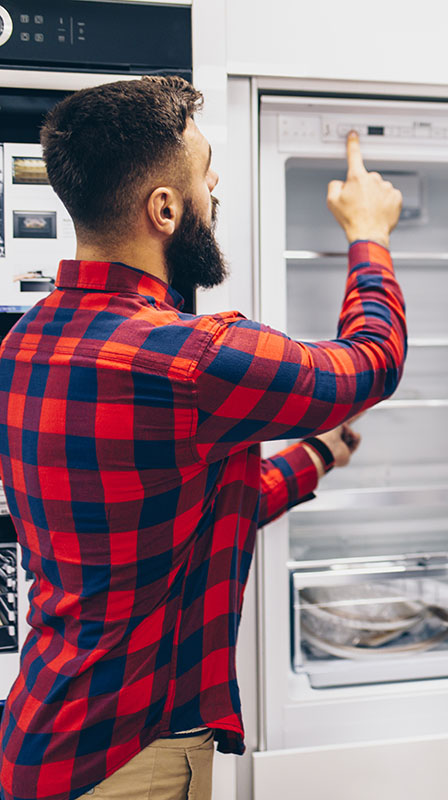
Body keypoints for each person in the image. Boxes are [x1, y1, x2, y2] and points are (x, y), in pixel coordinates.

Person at [0, 77, 405, 800]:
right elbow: (373, 362)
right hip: (128, 761)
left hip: (41, 735)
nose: (214, 185)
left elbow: (173, 516)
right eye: (205, 168)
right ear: (164, 208)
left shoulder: (24, 344)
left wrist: (315, 457)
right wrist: (368, 235)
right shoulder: (191, 361)